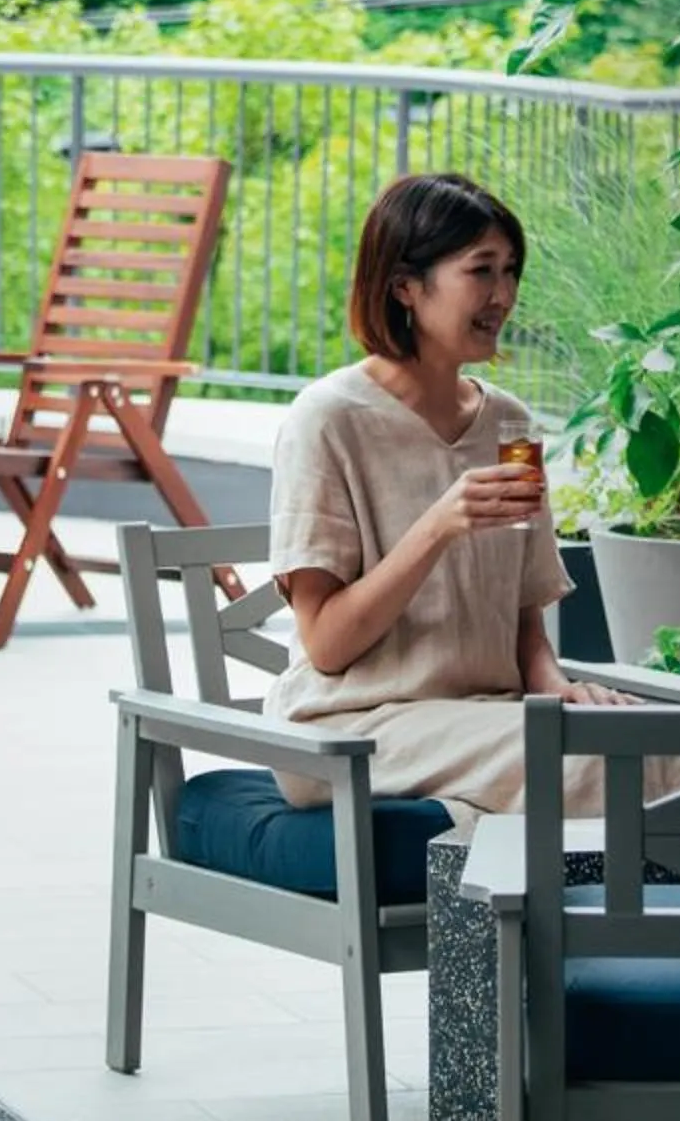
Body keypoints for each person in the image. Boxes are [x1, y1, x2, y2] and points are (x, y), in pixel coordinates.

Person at [265, 173, 645, 825]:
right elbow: (326, 644)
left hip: (485, 722)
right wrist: (439, 524)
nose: (504, 295)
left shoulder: (510, 424)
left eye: (511, 270)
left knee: (646, 737)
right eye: (481, 270)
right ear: (404, 287)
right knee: (601, 765)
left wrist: (558, 688)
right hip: (352, 727)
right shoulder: (327, 420)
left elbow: (524, 624)